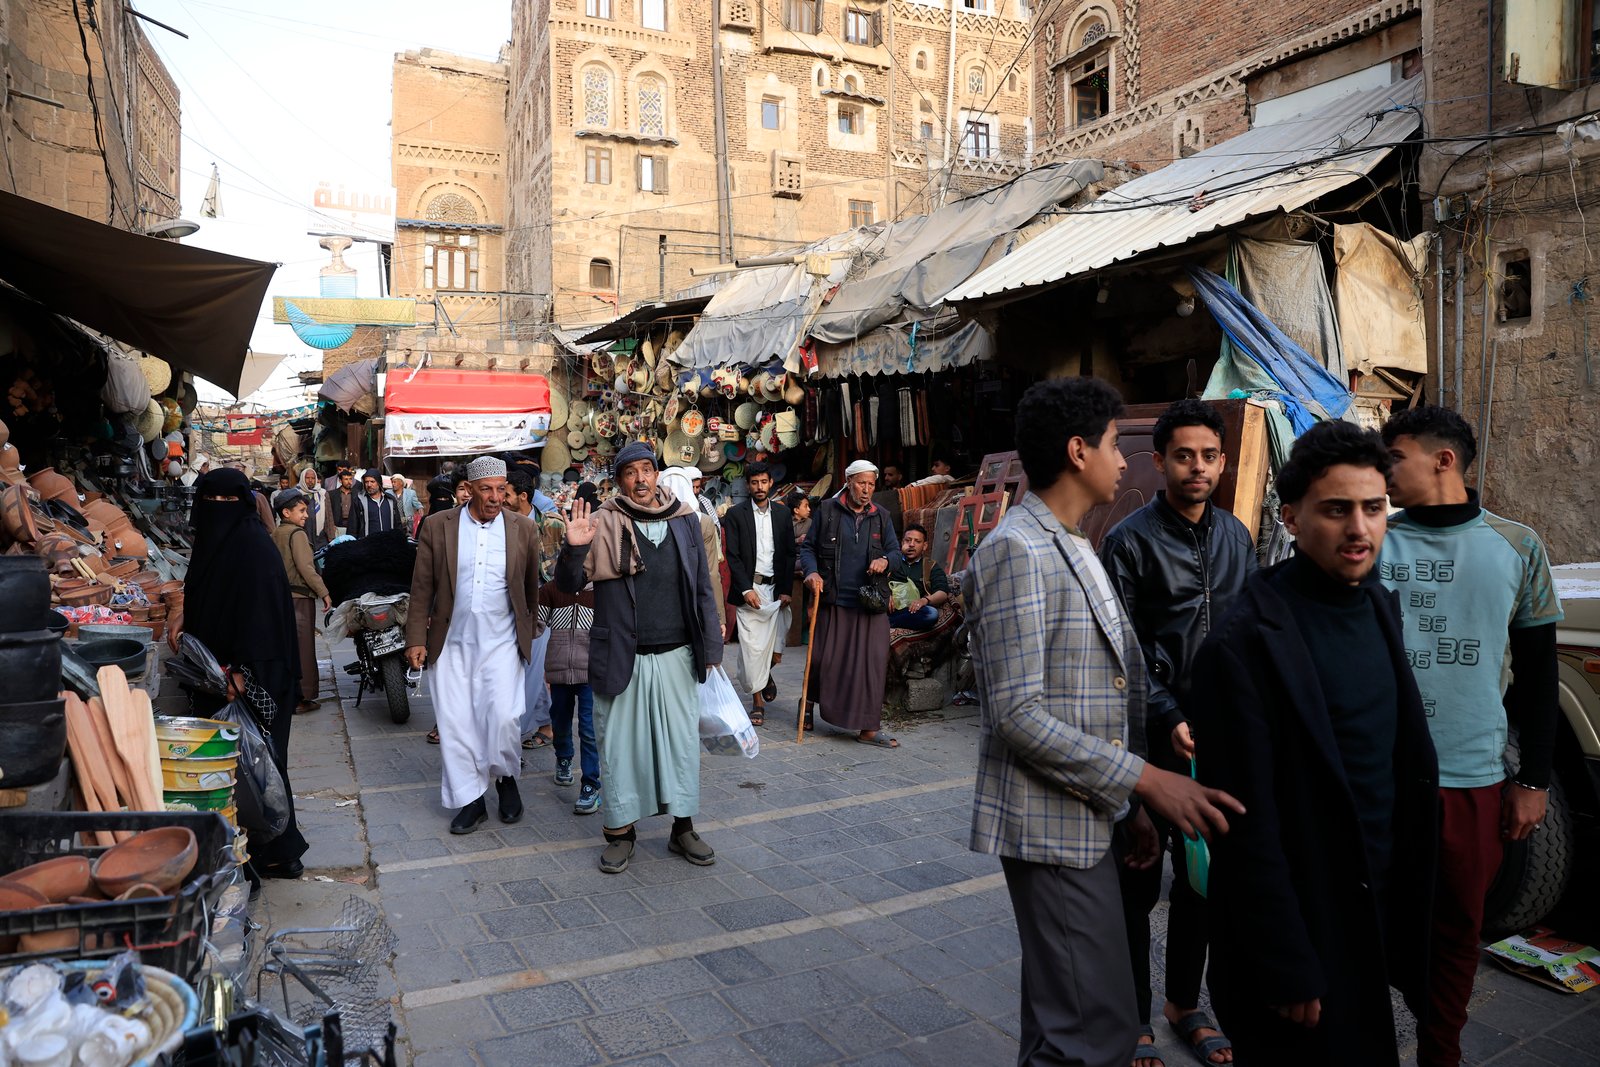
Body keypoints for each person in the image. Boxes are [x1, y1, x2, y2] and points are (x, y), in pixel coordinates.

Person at [967, 378, 1244, 1067]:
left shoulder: (1072, 539)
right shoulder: (1017, 550)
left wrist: (1129, 807)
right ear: (1077, 450)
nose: (1126, 462)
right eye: (1118, 444)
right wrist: (1149, 780)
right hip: (1049, 825)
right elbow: (1018, 715)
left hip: (1089, 813)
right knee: (1091, 1031)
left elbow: (1109, 686)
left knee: (1073, 1022)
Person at [1189, 420, 1438, 1065]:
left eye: (1374, 508)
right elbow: (1241, 824)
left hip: (1372, 905)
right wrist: (1285, 962)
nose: (1359, 529)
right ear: (1290, 518)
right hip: (1304, 927)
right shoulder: (1243, 645)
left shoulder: (1379, 604)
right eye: (1336, 510)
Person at [1378, 406, 1562, 1067]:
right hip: (1379, 778)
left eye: (1394, 456)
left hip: (1473, 778)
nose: (1385, 471)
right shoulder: (1372, 541)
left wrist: (1533, 780)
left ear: (1443, 460)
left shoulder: (1517, 545)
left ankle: (1441, 1051)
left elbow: (1541, 678)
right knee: (1377, 928)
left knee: (1458, 928)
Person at [1099, 398, 1254, 1067]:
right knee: (1137, 874)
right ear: (1159, 461)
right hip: (1146, 737)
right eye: (1184, 455)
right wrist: (1171, 716)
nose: (1198, 467)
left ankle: (1183, 1002)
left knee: (1201, 879)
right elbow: (1124, 650)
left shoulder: (1238, 538)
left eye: (1209, 456)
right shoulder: (1128, 540)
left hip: (1215, 737)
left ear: (1222, 461)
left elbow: (1246, 635)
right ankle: (1131, 1011)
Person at [557, 441, 723, 874]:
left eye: (647, 469)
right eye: (630, 473)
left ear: (658, 474)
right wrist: (573, 548)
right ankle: (620, 833)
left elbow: (703, 585)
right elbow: (570, 584)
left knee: (680, 747)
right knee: (621, 749)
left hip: (677, 654)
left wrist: (712, 645)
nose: (641, 479)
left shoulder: (687, 521)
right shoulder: (602, 522)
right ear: (620, 481)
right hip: (621, 657)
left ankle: (682, 827)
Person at [169, 468, 310, 881]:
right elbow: (210, 597)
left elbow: (261, 618)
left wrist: (241, 674)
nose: (217, 511)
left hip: (255, 677)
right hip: (223, 675)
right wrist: (183, 613)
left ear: (245, 503)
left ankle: (275, 850)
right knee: (242, 765)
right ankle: (267, 850)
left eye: (226, 503)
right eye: (210, 503)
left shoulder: (252, 547)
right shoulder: (219, 544)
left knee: (259, 763)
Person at [405, 455, 543, 833]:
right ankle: (472, 800)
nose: (496, 497)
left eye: (502, 489)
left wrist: (529, 632)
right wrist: (416, 637)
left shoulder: (523, 529)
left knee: (502, 717)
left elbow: (530, 587)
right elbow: (422, 588)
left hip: (502, 642)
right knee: (457, 724)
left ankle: (506, 778)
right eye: (487, 489)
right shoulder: (437, 526)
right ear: (469, 491)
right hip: (451, 644)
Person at [798, 460, 902, 747]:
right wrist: (812, 572)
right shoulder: (828, 511)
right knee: (822, 660)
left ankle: (868, 728)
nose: (867, 490)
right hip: (834, 600)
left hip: (868, 603)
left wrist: (885, 560)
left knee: (872, 663)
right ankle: (807, 706)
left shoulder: (881, 515)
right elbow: (808, 549)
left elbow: (896, 551)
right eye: (861, 483)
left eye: (871, 484)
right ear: (848, 481)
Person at [723, 461, 797, 726]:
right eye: (754, 483)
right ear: (748, 485)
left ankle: (766, 673)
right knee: (753, 650)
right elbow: (733, 555)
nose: (759, 487)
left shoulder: (782, 514)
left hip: (776, 591)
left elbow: (790, 554)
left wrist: (786, 589)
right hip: (750, 592)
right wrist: (745, 589)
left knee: (775, 651)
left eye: (763, 482)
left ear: (770, 484)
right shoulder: (735, 515)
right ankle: (757, 703)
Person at [540, 577, 602, 815]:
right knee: (560, 721)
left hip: (590, 673)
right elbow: (534, 625)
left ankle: (590, 785)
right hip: (558, 671)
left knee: (589, 728)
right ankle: (563, 756)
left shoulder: (602, 591)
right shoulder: (552, 589)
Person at [270, 488, 333, 714]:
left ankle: (288, 696)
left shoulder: (276, 533)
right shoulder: (297, 534)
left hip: (282, 597)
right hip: (299, 598)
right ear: (286, 512)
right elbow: (306, 568)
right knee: (303, 649)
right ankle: (302, 698)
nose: (306, 515)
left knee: (288, 648)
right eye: (302, 511)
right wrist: (324, 592)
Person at [506, 468, 555, 751]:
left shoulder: (550, 524)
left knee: (531, 669)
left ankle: (513, 734)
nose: (501, 498)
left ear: (522, 497)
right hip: (510, 608)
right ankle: (546, 726)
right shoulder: (501, 523)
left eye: (506, 493)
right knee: (524, 668)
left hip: (540, 610)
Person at [659, 466, 727, 637]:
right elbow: (711, 574)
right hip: (695, 598)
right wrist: (718, 617)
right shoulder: (702, 521)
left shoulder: (652, 520)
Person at [886, 523, 950, 632]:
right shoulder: (890, 561)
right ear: (902, 543)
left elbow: (942, 592)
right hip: (887, 607)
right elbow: (874, 581)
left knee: (931, 614)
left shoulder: (930, 566)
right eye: (908, 540)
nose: (911, 544)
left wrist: (924, 600)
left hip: (910, 611)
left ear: (924, 546)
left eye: (917, 541)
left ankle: (888, 622)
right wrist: (886, 595)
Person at [348, 471, 401, 538]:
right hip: (367, 544)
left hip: (388, 543)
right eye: (366, 482)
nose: (369, 485)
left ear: (379, 483)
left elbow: (398, 524)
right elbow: (352, 527)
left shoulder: (390, 500)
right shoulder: (359, 500)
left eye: (372, 481)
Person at [297, 468, 328, 551]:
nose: (310, 480)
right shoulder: (296, 494)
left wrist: (331, 537)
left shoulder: (323, 493)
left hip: (320, 538)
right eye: (307, 478)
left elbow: (329, 517)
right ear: (303, 478)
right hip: (303, 535)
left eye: (313, 478)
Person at [325, 468, 356, 540]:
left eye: (350, 479)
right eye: (346, 479)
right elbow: (329, 512)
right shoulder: (332, 494)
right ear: (340, 480)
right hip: (337, 526)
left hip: (352, 526)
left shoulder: (357, 494)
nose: (349, 482)